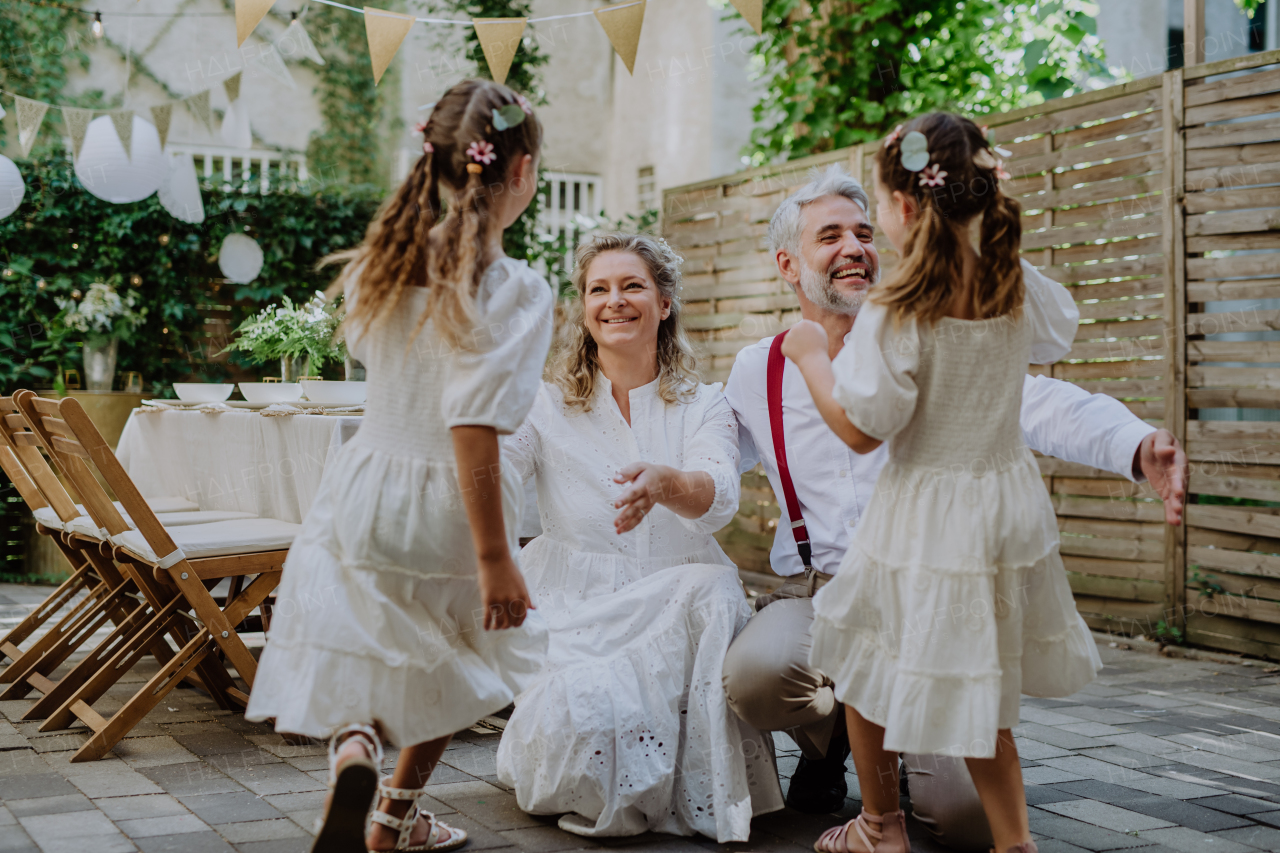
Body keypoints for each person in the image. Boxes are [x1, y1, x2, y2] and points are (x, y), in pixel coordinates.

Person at [720, 161, 1188, 851]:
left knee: (963, 823)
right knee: (758, 675)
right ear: (790, 263)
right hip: (817, 593)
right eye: (830, 237)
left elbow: (1036, 401)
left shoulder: (927, 327)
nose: (853, 246)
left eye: (861, 230)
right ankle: (831, 749)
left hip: (928, 598)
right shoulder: (757, 367)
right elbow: (711, 457)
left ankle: (908, 764)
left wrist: (1133, 441)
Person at [786, 112, 1121, 853]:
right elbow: (1057, 332)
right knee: (982, 687)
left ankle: (881, 828)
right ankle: (1016, 843)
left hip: (924, 508)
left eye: (876, 203)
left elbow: (862, 428)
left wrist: (812, 358)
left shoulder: (899, 305)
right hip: (1002, 503)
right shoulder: (1011, 282)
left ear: (905, 207)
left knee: (864, 661)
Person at [246, 79, 553, 853]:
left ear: (440, 163)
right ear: (520, 172)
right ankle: (394, 815)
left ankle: (354, 745)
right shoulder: (513, 288)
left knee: (358, 630)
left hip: (368, 486)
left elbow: (369, 354)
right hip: (460, 509)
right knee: (461, 657)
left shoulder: (380, 263)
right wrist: (495, 558)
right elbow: (474, 426)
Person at [495, 233, 784, 843]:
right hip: (577, 605)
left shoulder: (705, 405)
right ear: (583, 308)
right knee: (591, 750)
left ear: (665, 302)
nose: (614, 301)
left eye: (632, 286)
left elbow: (719, 492)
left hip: (677, 604)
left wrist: (667, 482)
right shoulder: (543, 406)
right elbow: (489, 473)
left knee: (710, 585)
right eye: (598, 289)